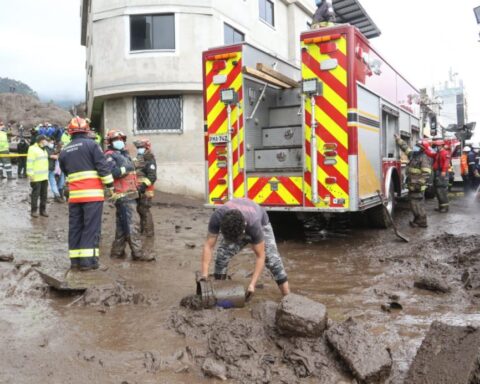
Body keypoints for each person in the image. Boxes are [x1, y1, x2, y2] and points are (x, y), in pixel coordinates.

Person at [200, 198, 290, 297]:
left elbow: (260, 256)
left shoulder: (254, 225)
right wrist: (204, 274)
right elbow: (209, 246)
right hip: (236, 223)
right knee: (222, 255)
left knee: (273, 261)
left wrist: (252, 284)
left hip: (260, 223)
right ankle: (219, 291)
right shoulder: (217, 217)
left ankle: (287, 297)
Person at [59, 117, 114, 271]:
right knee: (91, 228)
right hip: (92, 195)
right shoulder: (92, 145)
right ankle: (88, 263)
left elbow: (65, 171)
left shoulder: (64, 150)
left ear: (70, 131)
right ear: (87, 130)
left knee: (75, 227)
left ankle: (75, 261)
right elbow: (103, 167)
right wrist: (109, 185)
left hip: (75, 196)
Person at [105, 130, 154, 261]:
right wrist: (127, 168)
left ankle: (117, 251)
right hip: (123, 195)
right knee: (133, 224)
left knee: (122, 225)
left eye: (121, 139)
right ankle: (138, 253)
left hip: (130, 194)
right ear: (110, 142)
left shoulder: (123, 154)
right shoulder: (110, 155)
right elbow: (111, 173)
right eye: (116, 139)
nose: (120, 141)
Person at [395, 135, 432, 228]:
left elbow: (426, 173)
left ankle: (422, 221)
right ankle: (417, 219)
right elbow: (405, 148)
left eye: (418, 146)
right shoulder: (413, 155)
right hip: (413, 185)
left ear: (422, 149)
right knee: (413, 204)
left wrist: (418, 184)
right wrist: (398, 139)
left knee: (417, 204)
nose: (415, 147)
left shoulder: (423, 158)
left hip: (418, 186)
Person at [133, 138, 157, 237]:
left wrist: (143, 186)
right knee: (140, 210)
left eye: (141, 147)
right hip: (138, 189)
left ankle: (149, 233)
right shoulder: (139, 157)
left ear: (146, 147)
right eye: (138, 147)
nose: (139, 149)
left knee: (144, 210)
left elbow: (152, 176)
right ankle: (142, 231)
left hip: (146, 190)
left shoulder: (149, 159)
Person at [27, 134, 49, 217]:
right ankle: (34, 211)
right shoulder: (32, 149)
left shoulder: (44, 149)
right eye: (45, 140)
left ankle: (42, 210)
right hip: (36, 177)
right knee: (35, 195)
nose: (46, 141)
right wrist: (30, 175)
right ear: (41, 141)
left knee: (44, 194)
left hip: (44, 177)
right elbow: (29, 162)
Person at [426, 139, 450, 213]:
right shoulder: (438, 153)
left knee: (442, 191)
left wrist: (443, 171)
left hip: (441, 173)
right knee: (438, 191)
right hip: (437, 173)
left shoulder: (445, 153)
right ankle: (441, 207)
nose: (437, 147)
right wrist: (425, 148)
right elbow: (431, 154)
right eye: (436, 146)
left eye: (438, 145)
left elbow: (446, 162)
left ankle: (445, 208)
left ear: (442, 146)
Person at [46, 139, 64, 203]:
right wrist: (52, 156)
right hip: (49, 169)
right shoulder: (46, 149)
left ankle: (57, 196)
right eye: (51, 142)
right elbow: (49, 156)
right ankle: (48, 197)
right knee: (46, 184)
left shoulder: (52, 149)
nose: (52, 143)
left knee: (55, 183)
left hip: (53, 169)